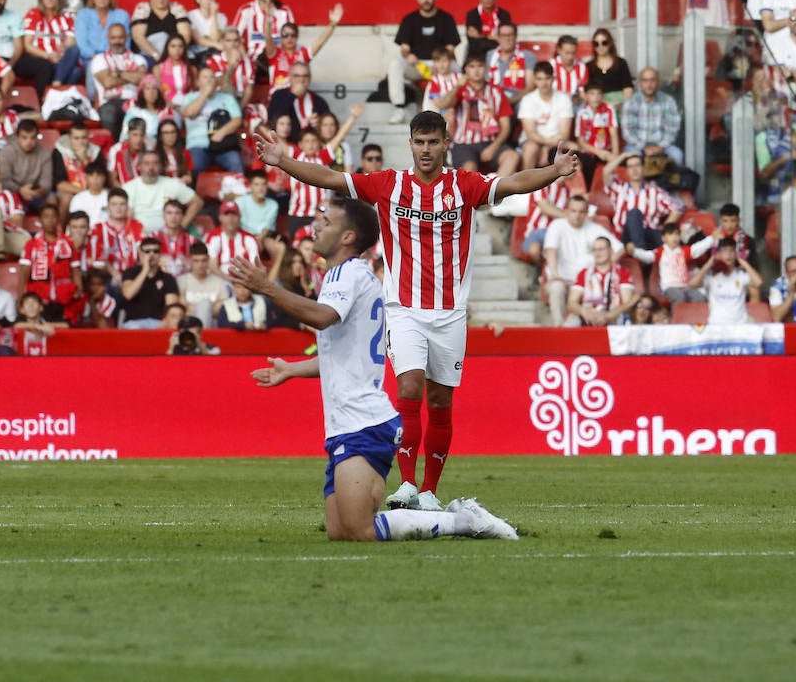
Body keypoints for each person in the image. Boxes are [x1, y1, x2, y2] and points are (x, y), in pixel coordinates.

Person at [252, 110, 579, 511]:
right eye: (419, 142)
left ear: (446, 143)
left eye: (433, 142)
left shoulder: (464, 186)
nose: (426, 150)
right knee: (408, 388)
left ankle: (429, 491)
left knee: (441, 401)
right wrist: (282, 162)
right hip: (403, 308)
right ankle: (406, 484)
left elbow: (513, 183)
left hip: (451, 311)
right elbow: (332, 179)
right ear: (410, 144)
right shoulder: (389, 184)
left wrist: (555, 170)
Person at [230, 197, 518, 542]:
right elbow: (345, 354)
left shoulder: (346, 273)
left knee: (360, 530)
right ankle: (454, 520)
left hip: (363, 422)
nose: (316, 224)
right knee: (341, 532)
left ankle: (463, 521)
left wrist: (265, 287)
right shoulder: (349, 275)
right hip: (347, 422)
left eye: (326, 220)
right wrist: (292, 370)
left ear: (348, 237)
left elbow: (322, 317)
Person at [389, 0, 460, 123]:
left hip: (440, 64)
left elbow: (450, 50)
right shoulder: (409, 19)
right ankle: (399, 107)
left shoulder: (446, 19)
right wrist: (408, 56)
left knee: (457, 68)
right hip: (417, 65)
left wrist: (440, 64)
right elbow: (404, 48)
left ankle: (461, 107)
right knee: (395, 64)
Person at [542, 194, 607, 326]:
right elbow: (551, 250)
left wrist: (600, 267)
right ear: (566, 210)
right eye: (573, 211)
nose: (577, 215)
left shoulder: (595, 228)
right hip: (562, 279)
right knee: (556, 287)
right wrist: (555, 275)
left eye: (581, 211)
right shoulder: (557, 225)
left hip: (587, 283)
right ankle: (558, 329)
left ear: (587, 213)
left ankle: (573, 328)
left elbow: (618, 249)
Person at [620, 68, 685, 167]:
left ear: (658, 82)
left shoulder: (668, 101)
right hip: (637, 146)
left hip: (663, 146)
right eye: (645, 81)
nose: (649, 84)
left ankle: (667, 182)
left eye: (652, 80)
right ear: (639, 83)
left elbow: (672, 129)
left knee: (677, 155)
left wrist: (661, 147)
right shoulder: (631, 102)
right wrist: (644, 148)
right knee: (632, 160)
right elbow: (628, 132)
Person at [691, 236, 762, 324]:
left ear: (736, 254)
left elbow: (758, 282)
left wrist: (743, 262)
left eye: (732, 251)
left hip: (740, 325)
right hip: (716, 325)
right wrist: (710, 262)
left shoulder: (741, 275)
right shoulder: (712, 276)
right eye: (724, 251)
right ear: (719, 254)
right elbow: (692, 284)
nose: (728, 254)